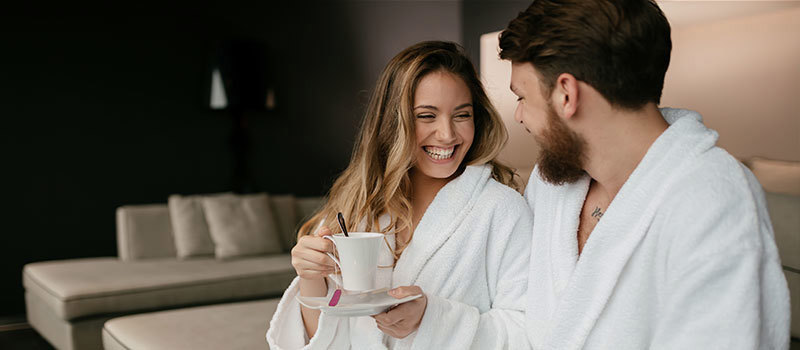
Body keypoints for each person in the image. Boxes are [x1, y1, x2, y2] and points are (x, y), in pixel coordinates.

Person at [498, 0, 791, 348]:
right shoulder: (553, 185)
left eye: (521, 97)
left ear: (566, 94)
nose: (519, 116)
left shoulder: (713, 200)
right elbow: (518, 317)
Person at [266, 41, 533, 349]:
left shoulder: (503, 210)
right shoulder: (357, 208)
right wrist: (311, 278)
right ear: (393, 121)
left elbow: (526, 333)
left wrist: (432, 318)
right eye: (426, 116)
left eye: (462, 115)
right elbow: (326, 340)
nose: (447, 134)